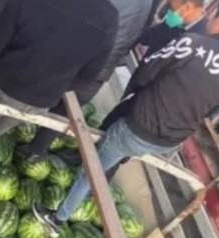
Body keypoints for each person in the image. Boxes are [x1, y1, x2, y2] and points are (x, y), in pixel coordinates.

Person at [33, 0, 219, 238]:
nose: (208, 16)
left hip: (140, 126)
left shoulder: (192, 43)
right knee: (115, 154)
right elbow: (211, 111)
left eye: (213, 13)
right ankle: (92, 183)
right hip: (169, 141)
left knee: (92, 170)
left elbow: (146, 73)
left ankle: (57, 219)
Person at [0, 0, 120, 173]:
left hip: (4, 83)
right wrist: (56, 87)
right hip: (41, 101)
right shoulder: (110, 17)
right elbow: (89, 76)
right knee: (5, 123)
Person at [18, 0, 154, 163]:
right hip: (103, 67)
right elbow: (142, 34)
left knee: (46, 86)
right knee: (66, 108)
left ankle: (17, 122)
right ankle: (37, 150)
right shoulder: (148, 3)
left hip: (83, 55)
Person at [135, 0, 207, 58]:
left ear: (186, 8)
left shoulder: (201, 43)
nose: (169, 12)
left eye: (172, 8)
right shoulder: (173, 21)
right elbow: (148, 36)